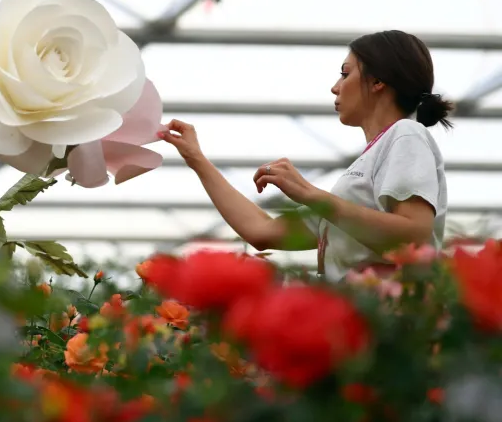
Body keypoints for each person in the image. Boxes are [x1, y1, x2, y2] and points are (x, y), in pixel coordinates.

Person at [158, 30, 451, 281]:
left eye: (346, 73)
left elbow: (414, 237)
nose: (335, 87)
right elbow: (261, 231)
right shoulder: (371, 159)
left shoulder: (406, 134)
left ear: (378, 82)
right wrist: (196, 158)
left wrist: (311, 195)